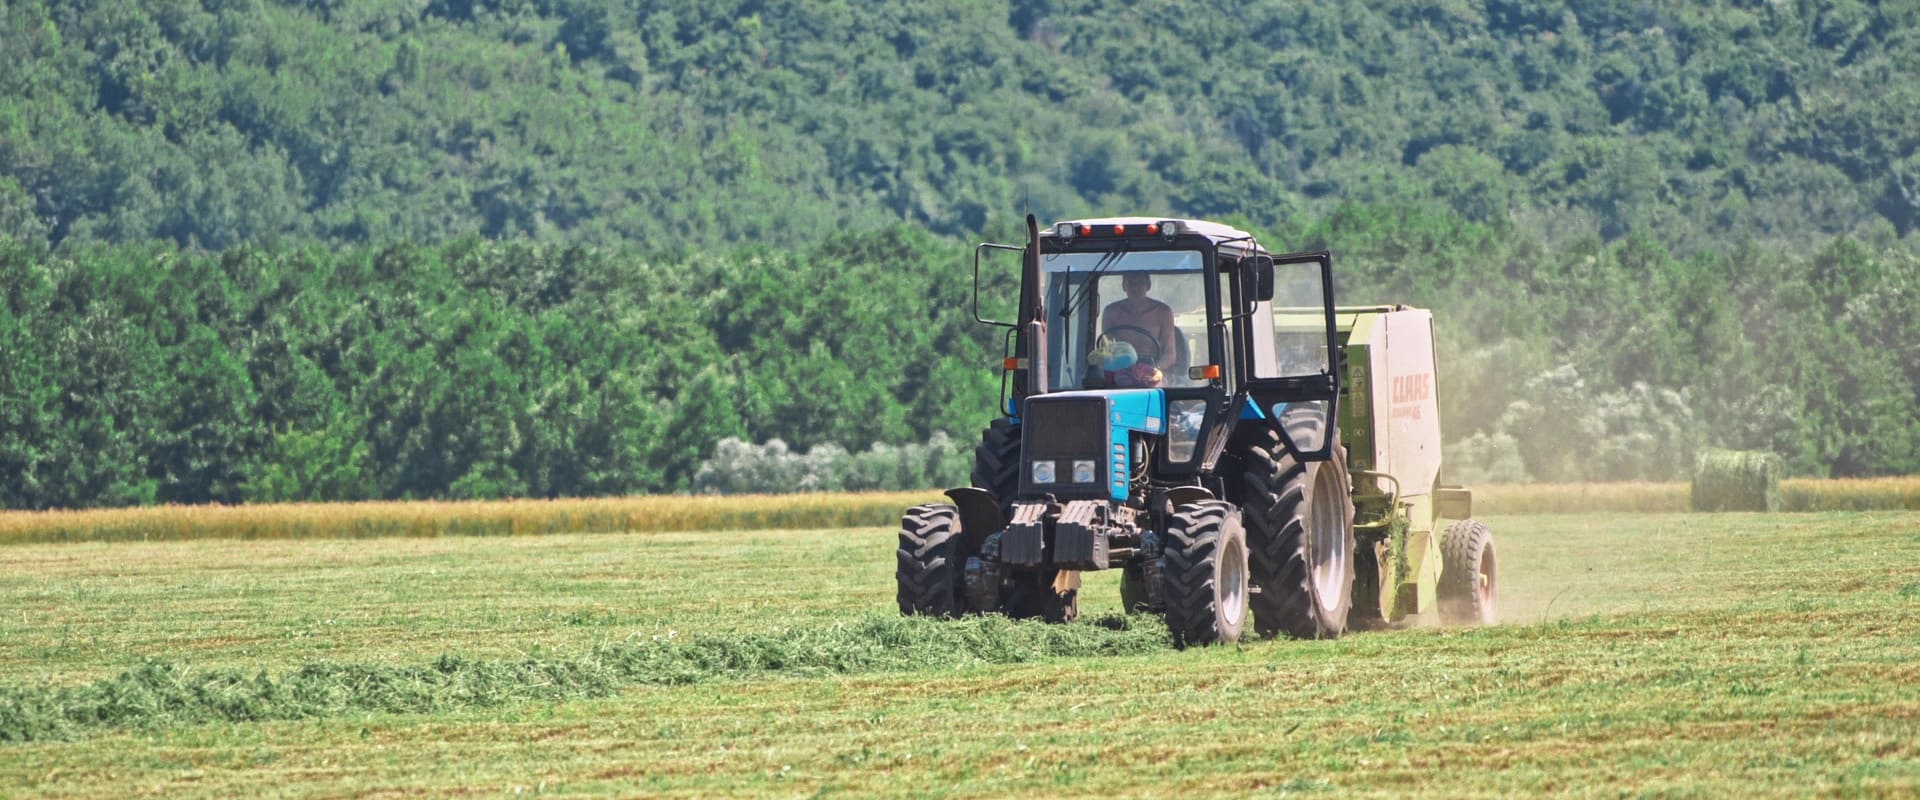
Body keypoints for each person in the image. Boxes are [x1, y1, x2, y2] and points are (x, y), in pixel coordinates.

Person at [1100, 273, 1177, 368]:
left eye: (1140, 283)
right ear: (1124, 286)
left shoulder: (1163, 312)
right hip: (1121, 368)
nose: (1135, 288)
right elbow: (1106, 350)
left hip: (1152, 367)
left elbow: (1170, 354)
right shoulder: (1111, 312)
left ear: (1148, 285)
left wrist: (1155, 370)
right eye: (1130, 283)